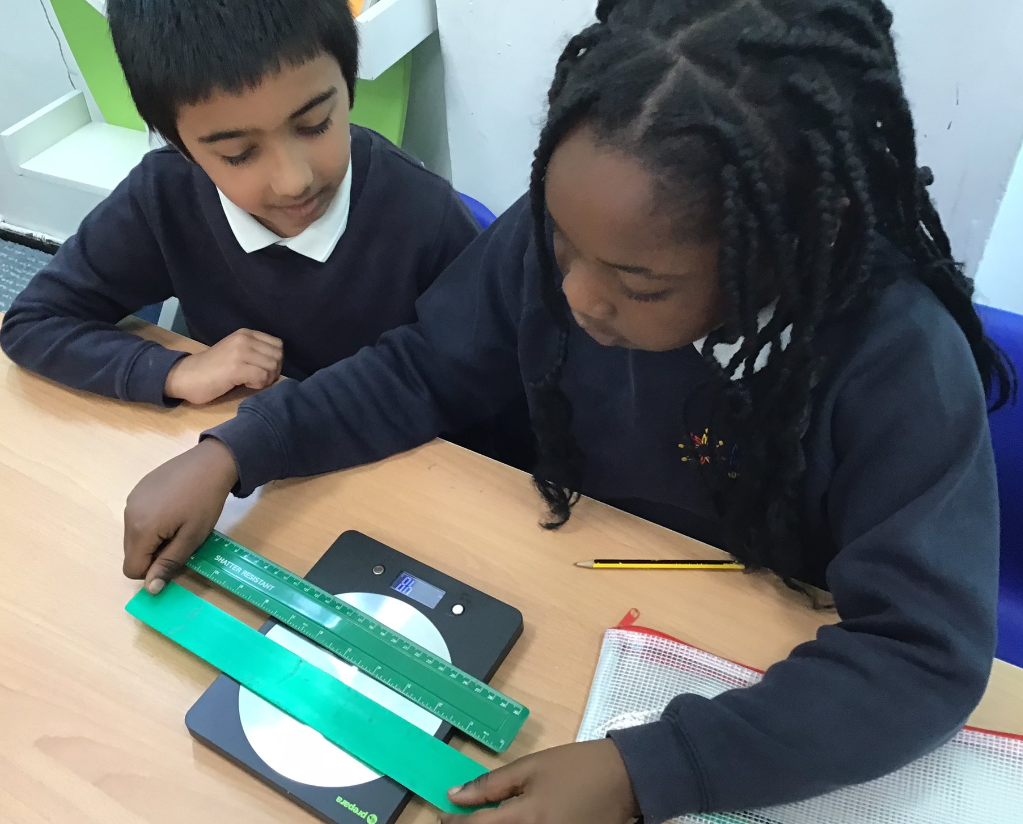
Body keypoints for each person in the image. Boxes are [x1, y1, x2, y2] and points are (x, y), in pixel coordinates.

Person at [121, 0, 1017, 821]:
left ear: (777, 252)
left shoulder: (897, 362)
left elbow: (920, 656)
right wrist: (236, 450)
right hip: (569, 584)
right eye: (560, 241)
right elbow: (423, 368)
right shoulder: (575, 236)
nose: (577, 297)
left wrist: (647, 769)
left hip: (745, 644)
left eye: (639, 285)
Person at [0, 0, 478, 407]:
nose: (293, 182)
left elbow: (478, 387)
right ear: (182, 147)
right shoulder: (165, 197)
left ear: (348, 85)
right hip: (238, 450)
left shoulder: (425, 217)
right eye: (238, 154)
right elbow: (33, 322)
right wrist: (175, 371)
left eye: (314, 124)